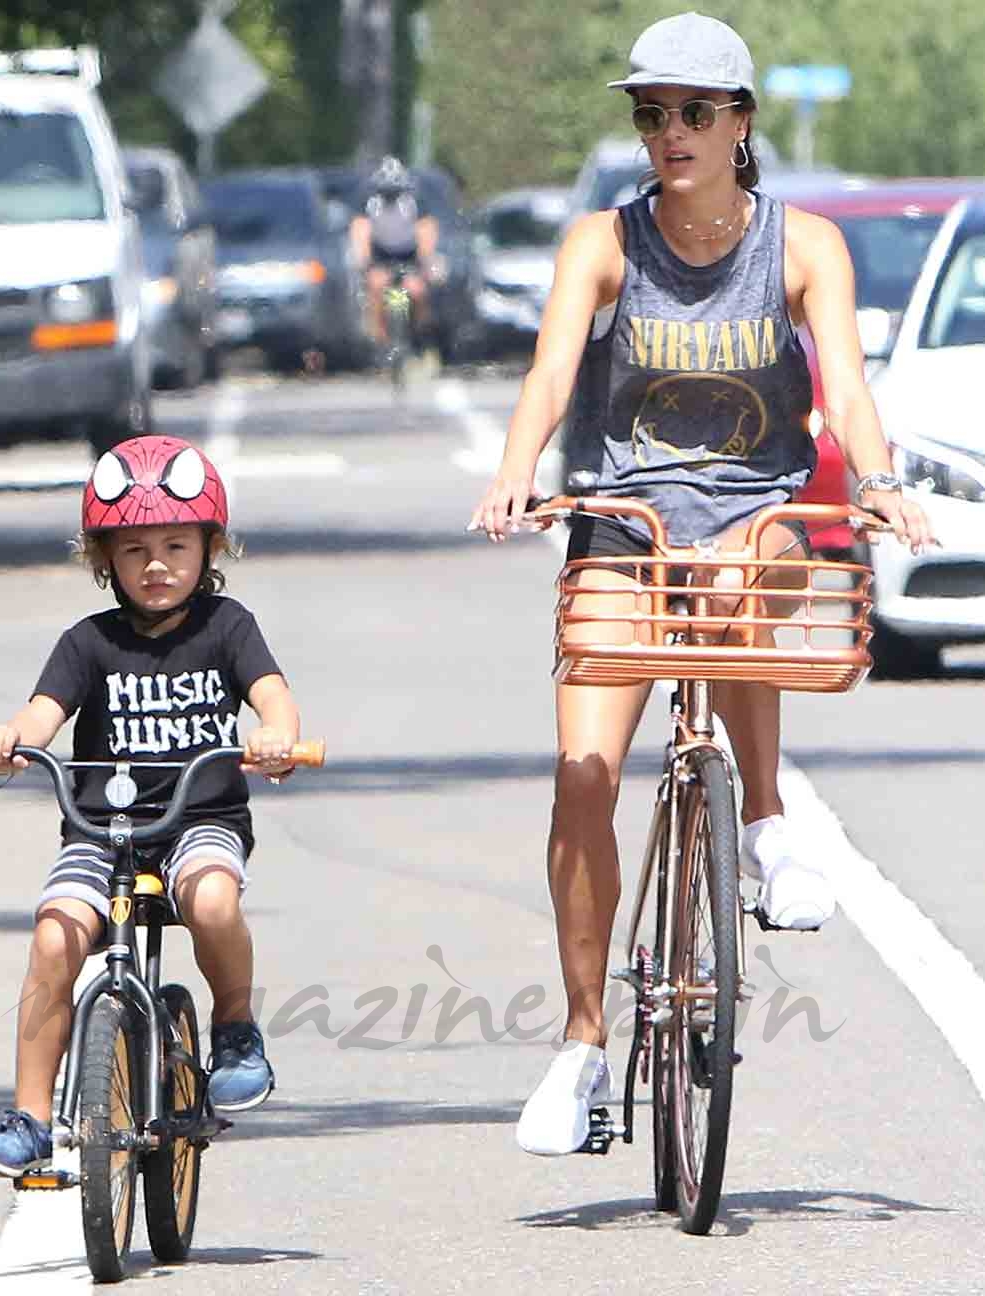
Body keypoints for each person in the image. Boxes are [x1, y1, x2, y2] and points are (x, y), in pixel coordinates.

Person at [468, 11, 934, 1157]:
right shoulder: (603, 242)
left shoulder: (805, 244)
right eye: (650, 114)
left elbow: (850, 392)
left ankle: (765, 823)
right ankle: (582, 1050)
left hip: (753, 516)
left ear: (740, 124)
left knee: (746, 574)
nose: (668, 133)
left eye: (692, 113)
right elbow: (549, 372)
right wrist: (514, 476)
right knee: (583, 775)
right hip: (628, 522)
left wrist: (873, 480)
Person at [0, 434, 300, 1177]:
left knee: (213, 902)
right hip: (101, 829)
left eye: (177, 545)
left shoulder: (229, 628)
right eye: (133, 549)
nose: (156, 565)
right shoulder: (88, 643)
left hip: (200, 819)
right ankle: (28, 1116)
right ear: (103, 560)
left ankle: (237, 1030)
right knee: (55, 937)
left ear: (211, 549)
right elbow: (42, 715)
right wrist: (9, 738)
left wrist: (277, 736)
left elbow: (273, 696)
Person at [349, 154, 441, 349]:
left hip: (409, 254)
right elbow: (360, 230)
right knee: (376, 286)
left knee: (417, 291)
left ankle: (421, 333)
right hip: (380, 255)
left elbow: (426, 229)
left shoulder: (413, 202)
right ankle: (380, 339)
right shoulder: (370, 203)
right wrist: (363, 259)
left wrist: (426, 260)